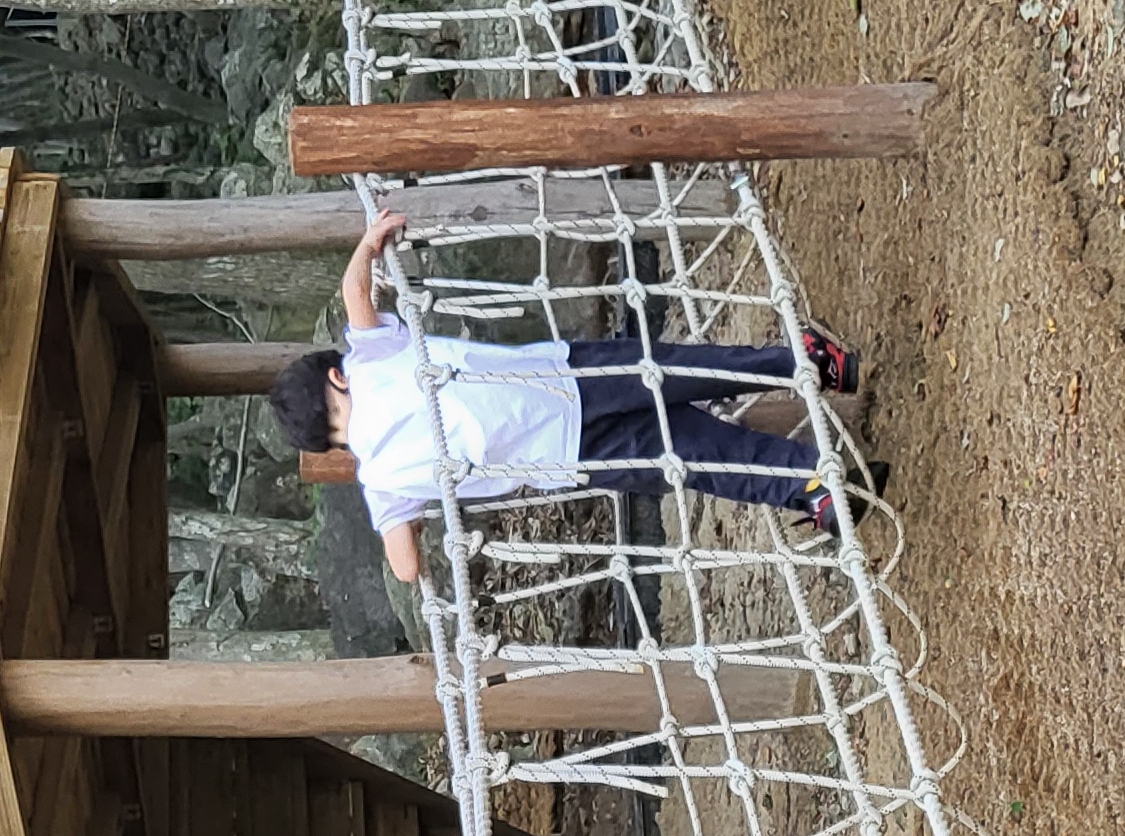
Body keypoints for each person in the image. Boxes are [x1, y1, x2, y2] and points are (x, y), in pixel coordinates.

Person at [266, 209, 876, 583]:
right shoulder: (371, 362)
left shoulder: (382, 482)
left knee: (695, 456)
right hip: (559, 377)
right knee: (687, 369)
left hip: (567, 455)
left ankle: (817, 487)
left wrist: (420, 518)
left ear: (330, 444)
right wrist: (368, 242)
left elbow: (405, 568)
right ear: (337, 377)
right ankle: (809, 362)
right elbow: (356, 295)